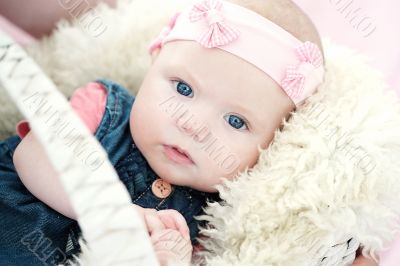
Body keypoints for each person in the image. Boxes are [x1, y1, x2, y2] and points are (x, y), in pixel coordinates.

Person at [0, 0, 376, 265]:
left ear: (272, 145)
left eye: (235, 122)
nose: (192, 125)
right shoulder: (102, 107)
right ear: (154, 60)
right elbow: (31, 155)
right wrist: (116, 214)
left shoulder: (211, 221)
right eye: (182, 89)